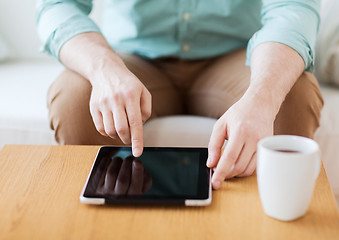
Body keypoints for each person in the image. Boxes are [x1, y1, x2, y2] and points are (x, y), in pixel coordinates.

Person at [36, 0, 324, 190]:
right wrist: (103, 68)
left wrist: (263, 97)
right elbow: (58, 5)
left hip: (236, 56)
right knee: (75, 99)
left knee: (291, 97)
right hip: (132, 59)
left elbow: (292, 7)